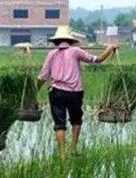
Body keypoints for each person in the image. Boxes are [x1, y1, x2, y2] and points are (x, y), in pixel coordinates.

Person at [38, 26, 119, 161]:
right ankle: (73, 148)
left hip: (56, 92)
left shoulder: (51, 54)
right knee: (76, 120)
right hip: (75, 93)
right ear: (70, 40)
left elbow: (42, 76)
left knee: (59, 123)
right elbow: (97, 60)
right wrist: (109, 50)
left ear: (56, 41)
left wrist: (33, 92)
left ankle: (62, 155)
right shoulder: (76, 51)